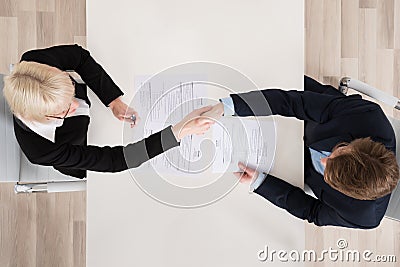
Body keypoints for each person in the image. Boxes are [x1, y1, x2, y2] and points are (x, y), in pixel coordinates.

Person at [203, 76, 400, 229]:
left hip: (290, 167)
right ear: (358, 144)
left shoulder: (363, 217)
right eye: (336, 152)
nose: (323, 161)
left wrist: (261, 182)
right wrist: (228, 106)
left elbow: (312, 211)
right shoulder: (369, 118)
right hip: (309, 116)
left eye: (328, 171)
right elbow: (295, 102)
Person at [3, 44, 214, 178]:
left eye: (71, 93)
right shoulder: (41, 150)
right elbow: (117, 160)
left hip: (98, 112)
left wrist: (112, 100)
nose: (74, 104)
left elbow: (79, 57)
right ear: (45, 117)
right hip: (81, 147)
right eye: (66, 109)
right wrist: (179, 131)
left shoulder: (35, 61)